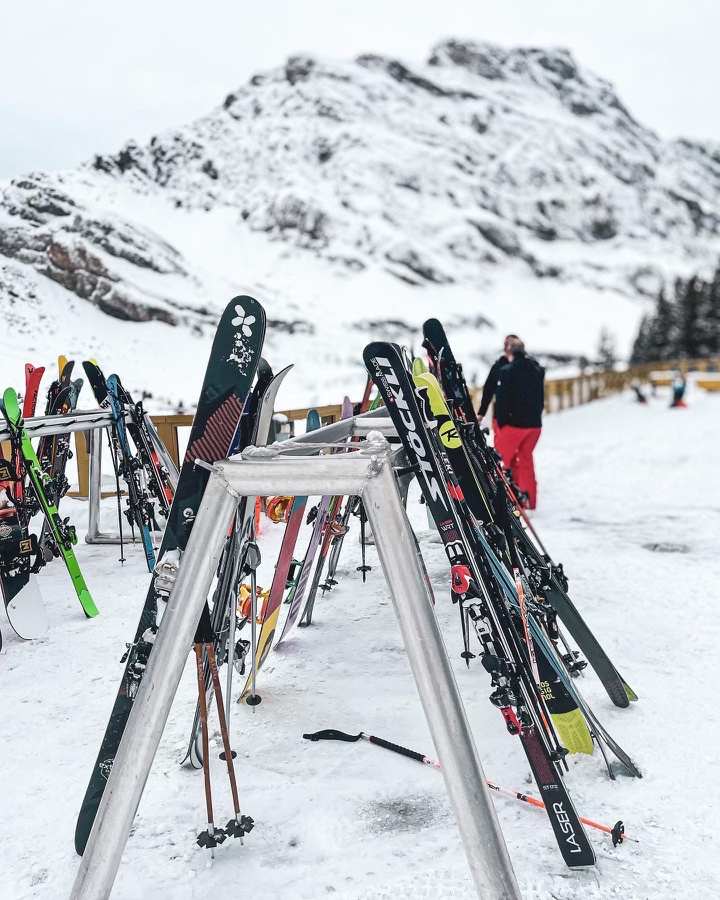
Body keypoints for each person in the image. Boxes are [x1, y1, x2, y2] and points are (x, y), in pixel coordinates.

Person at [493, 339, 545, 510]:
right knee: (526, 461)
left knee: (499, 462)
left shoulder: (507, 371)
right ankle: (529, 502)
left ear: (509, 352)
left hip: (515, 425)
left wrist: (501, 423)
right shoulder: (537, 369)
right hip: (535, 425)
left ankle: (504, 501)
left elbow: (502, 402)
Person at [477, 335, 520, 431]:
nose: (508, 347)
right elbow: (488, 389)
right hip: (501, 416)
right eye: (506, 344)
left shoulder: (527, 366)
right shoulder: (498, 366)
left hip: (521, 418)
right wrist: (481, 413)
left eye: (512, 345)